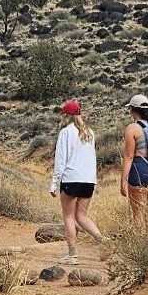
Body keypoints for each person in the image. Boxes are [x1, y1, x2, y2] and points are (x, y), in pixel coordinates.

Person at [49, 100, 104, 264]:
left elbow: (60, 160)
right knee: (81, 216)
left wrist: (54, 183)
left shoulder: (65, 133)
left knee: (68, 217)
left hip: (71, 179)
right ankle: (104, 241)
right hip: (88, 180)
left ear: (66, 115)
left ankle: (72, 254)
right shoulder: (90, 133)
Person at [119, 93, 148, 222]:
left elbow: (128, 156)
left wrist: (123, 179)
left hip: (140, 169)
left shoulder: (132, 128)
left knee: (138, 214)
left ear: (133, 110)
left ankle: (140, 241)